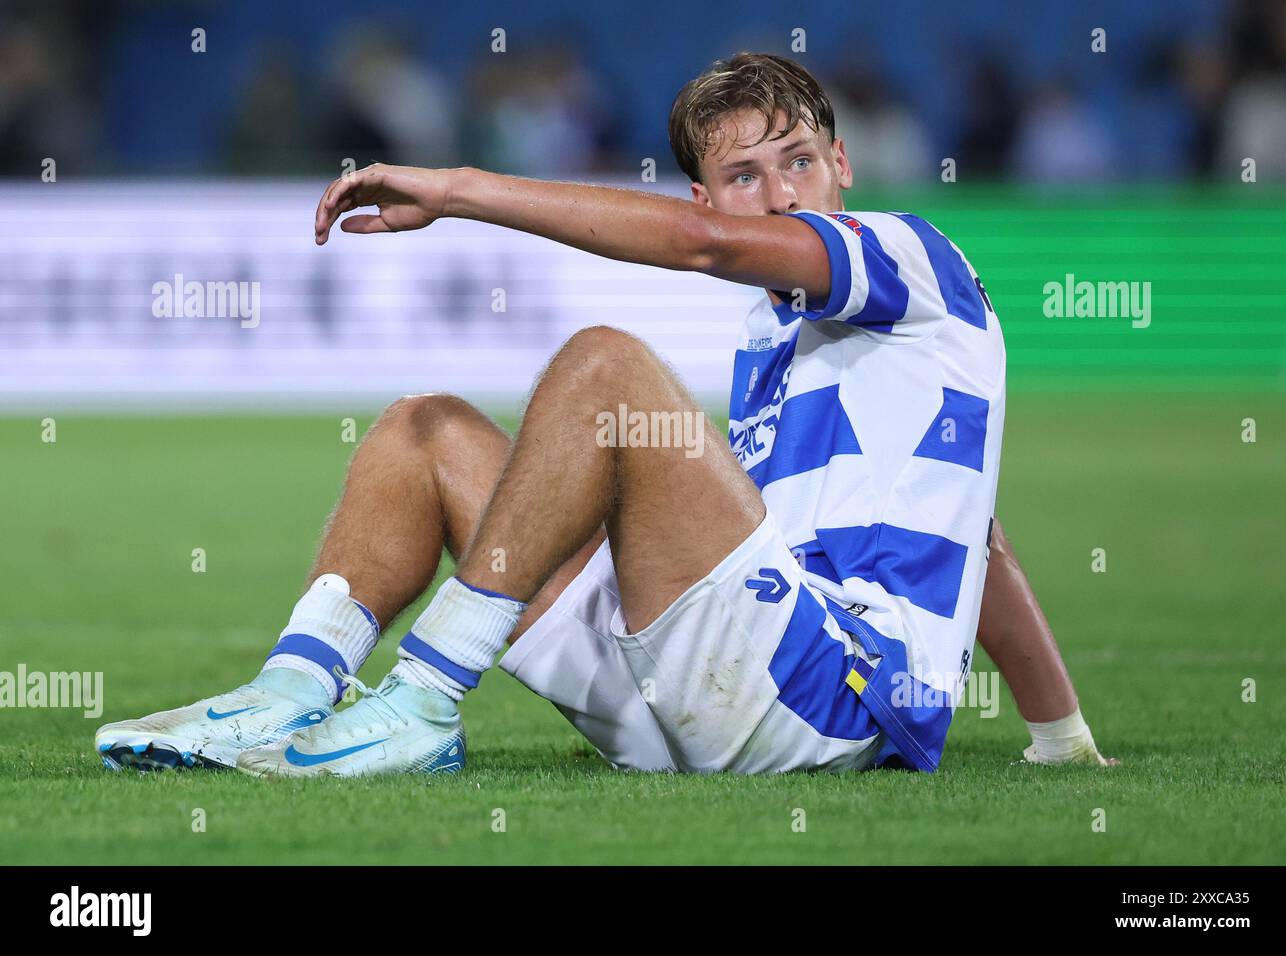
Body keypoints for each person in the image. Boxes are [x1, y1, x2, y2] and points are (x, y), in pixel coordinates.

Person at [95, 53, 1112, 776]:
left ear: (842, 163)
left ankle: (422, 698)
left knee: (606, 367)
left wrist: (458, 188)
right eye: (743, 176)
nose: (781, 193)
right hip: (695, 699)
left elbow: (703, 249)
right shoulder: (771, 337)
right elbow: (979, 540)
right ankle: (288, 691)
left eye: (799, 159)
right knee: (426, 430)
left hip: (829, 698)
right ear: (704, 190)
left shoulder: (908, 257)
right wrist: (1059, 736)